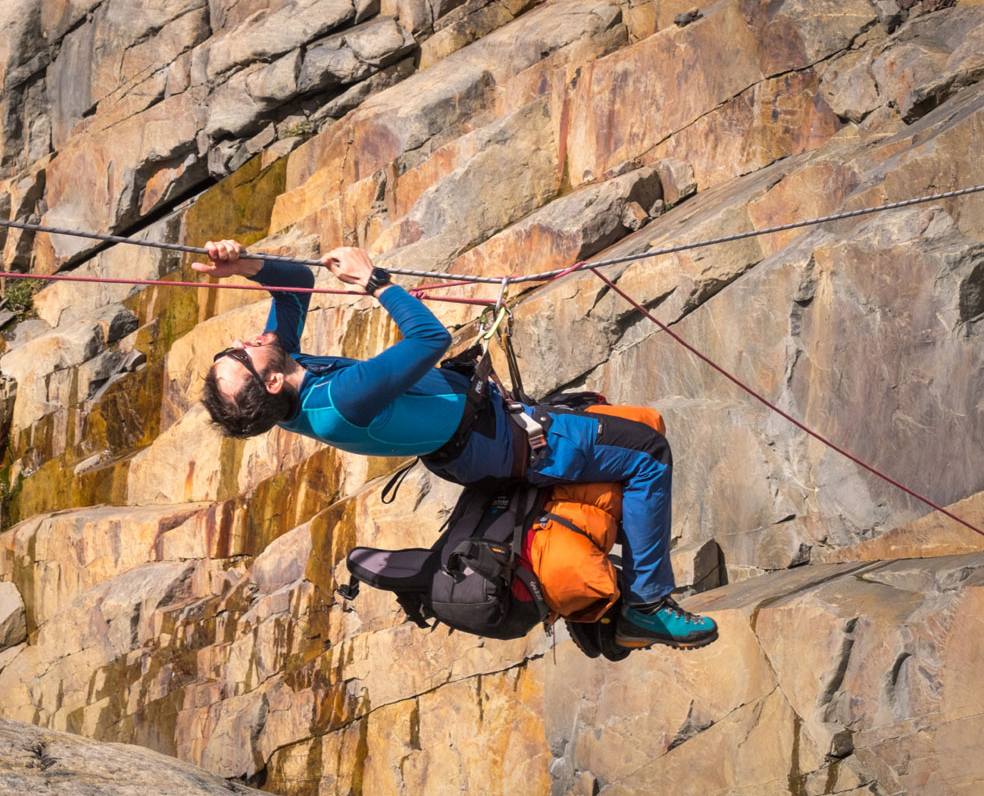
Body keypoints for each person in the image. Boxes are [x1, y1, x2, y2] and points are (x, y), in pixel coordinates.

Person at [196, 239, 717, 650]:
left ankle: (614, 586)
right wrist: (374, 282)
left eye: (230, 349)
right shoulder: (341, 401)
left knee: (624, 437)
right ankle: (646, 606)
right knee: (647, 453)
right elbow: (429, 339)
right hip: (509, 440)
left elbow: (295, 282)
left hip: (481, 438)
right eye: (239, 357)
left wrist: (244, 265)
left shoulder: (289, 381)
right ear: (268, 383)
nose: (243, 342)